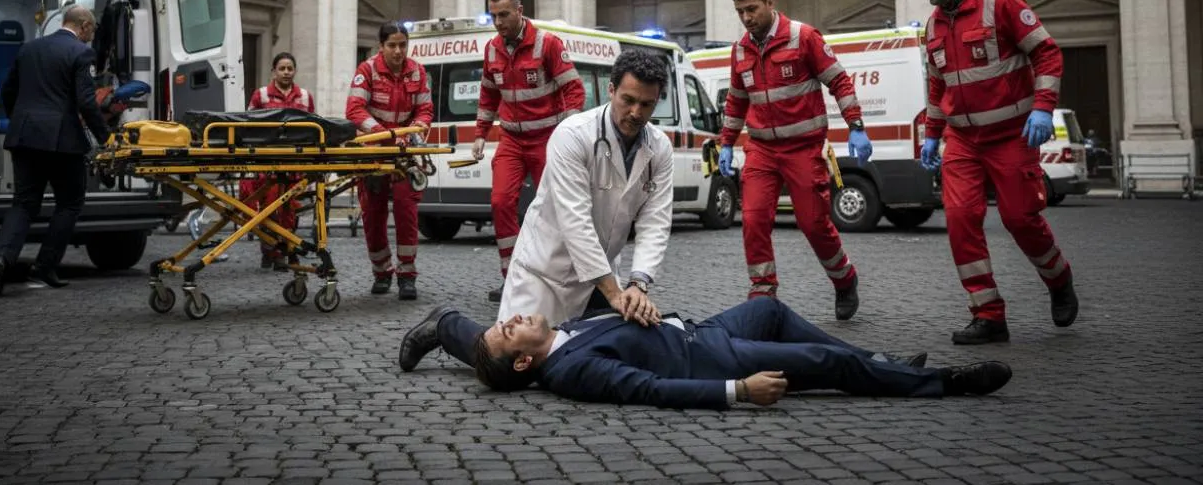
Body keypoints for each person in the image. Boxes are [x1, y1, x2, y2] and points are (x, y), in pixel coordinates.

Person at [400, 49, 674, 369]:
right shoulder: (573, 135)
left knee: (614, 351)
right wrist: (615, 293)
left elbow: (656, 220)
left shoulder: (659, 147)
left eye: (647, 104)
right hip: (548, 268)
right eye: (628, 100)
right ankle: (445, 325)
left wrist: (638, 283)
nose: (636, 112)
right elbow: (575, 220)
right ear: (611, 90)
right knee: (510, 361)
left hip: (601, 270)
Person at [399, 297, 1013, 409]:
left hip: (695, 327)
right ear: (528, 363)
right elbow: (651, 391)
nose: (507, 320)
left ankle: (442, 323)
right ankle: (942, 385)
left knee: (768, 305)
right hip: (716, 358)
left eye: (501, 325)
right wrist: (737, 391)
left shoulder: (550, 339)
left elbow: (505, 343)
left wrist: (631, 303)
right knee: (829, 368)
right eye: (509, 331)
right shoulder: (573, 371)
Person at [914, 0, 1079, 345]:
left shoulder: (1000, 3)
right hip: (963, 142)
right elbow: (939, 87)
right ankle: (988, 315)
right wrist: (933, 137)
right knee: (960, 221)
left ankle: (1058, 281)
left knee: (1021, 218)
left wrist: (1043, 108)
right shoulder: (933, 26)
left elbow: (1047, 53)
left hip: (1011, 135)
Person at [718, 0, 874, 319]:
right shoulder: (740, 50)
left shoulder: (803, 37)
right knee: (754, 220)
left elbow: (839, 80)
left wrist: (856, 126)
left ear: (770, 3)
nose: (746, 17)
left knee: (814, 224)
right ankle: (763, 292)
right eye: (740, 11)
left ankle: (844, 279)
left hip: (803, 148)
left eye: (752, 9)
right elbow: (736, 102)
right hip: (761, 149)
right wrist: (726, 144)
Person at [0, 5, 111, 295]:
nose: (90, 38)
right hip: (62, 141)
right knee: (69, 202)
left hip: (25, 136)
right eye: (91, 32)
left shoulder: (29, 49)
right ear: (84, 26)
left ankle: (2, 258)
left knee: (24, 203)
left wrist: (20, 120)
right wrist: (106, 138)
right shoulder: (81, 53)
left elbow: (8, 91)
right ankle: (45, 266)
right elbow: (87, 103)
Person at [471, 0, 585, 302]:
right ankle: (513, 276)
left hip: (547, 139)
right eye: (493, 15)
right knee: (500, 202)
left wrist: (567, 130)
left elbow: (575, 90)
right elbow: (488, 94)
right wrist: (481, 132)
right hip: (511, 139)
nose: (498, 22)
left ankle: (560, 277)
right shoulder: (492, 50)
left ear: (520, 12)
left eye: (504, 14)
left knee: (554, 209)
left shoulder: (547, 44)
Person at [345, 21, 433, 300]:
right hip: (374, 151)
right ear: (381, 46)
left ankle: (407, 276)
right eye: (392, 45)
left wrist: (412, 133)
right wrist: (384, 134)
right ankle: (381, 272)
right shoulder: (367, 71)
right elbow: (355, 110)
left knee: (407, 211)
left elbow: (425, 110)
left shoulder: (417, 72)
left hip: (405, 152)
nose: (398, 51)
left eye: (402, 45)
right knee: (373, 213)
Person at [239, 52, 316, 270]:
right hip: (267, 161)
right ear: (274, 71)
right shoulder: (261, 95)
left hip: (295, 162)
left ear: (295, 71)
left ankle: (285, 249)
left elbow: (312, 127)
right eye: (282, 68)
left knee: (289, 208)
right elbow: (248, 125)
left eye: (289, 68)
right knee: (268, 207)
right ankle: (270, 249)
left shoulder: (304, 96)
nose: (286, 72)